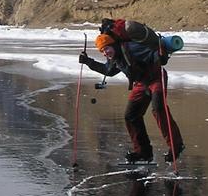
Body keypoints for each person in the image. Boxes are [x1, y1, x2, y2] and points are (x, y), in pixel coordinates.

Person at [79, 19, 185, 164]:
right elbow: (108, 71)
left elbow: (153, 54)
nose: (105, 53)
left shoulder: (131, 47)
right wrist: (88, 62)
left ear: (113, 44)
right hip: (141, 84)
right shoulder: (115, 57)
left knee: (159, 109)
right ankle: (143, 152)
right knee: (131, 115)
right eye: (102, 51)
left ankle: (176, 146)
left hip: (156, 78)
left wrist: (161, 57)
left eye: (106, 49)